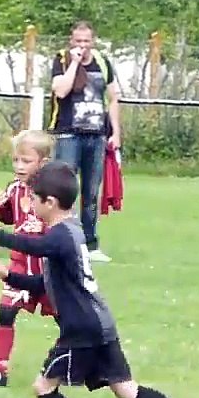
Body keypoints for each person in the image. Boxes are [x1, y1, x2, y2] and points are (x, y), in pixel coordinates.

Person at [0, 161, 199, 398]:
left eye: (33, 199)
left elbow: (30, 245)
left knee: (43, 387)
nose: (29, 204)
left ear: (50, 202)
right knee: (127, 391)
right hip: (99, 324)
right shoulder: (66, 234)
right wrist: (7, 275)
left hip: (82, 330)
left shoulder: (61, 235)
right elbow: (43, 285)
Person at [0, 131, 55, 387]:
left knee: (67, 319)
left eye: (26, 161)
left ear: (43, 162)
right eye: (16, 160)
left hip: (47, 268)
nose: (18, 166)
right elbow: (9, 217)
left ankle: (88, 362)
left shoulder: (52, 192)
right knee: (6, 312)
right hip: (19, 263)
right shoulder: (15, 189)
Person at [48, 21, 122, 264]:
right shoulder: (61, 60)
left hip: (96, 135)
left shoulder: (102, 63)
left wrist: (115, 132)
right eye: (78, 41)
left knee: (91, 192)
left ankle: (90, 244)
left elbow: (113, 98)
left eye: (86, 41)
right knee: (65, 188)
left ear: (93, 41)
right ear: (71, 41)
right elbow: (60, 91)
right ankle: (64, 240)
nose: (82, 46)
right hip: (69, 133)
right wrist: (74, 64)